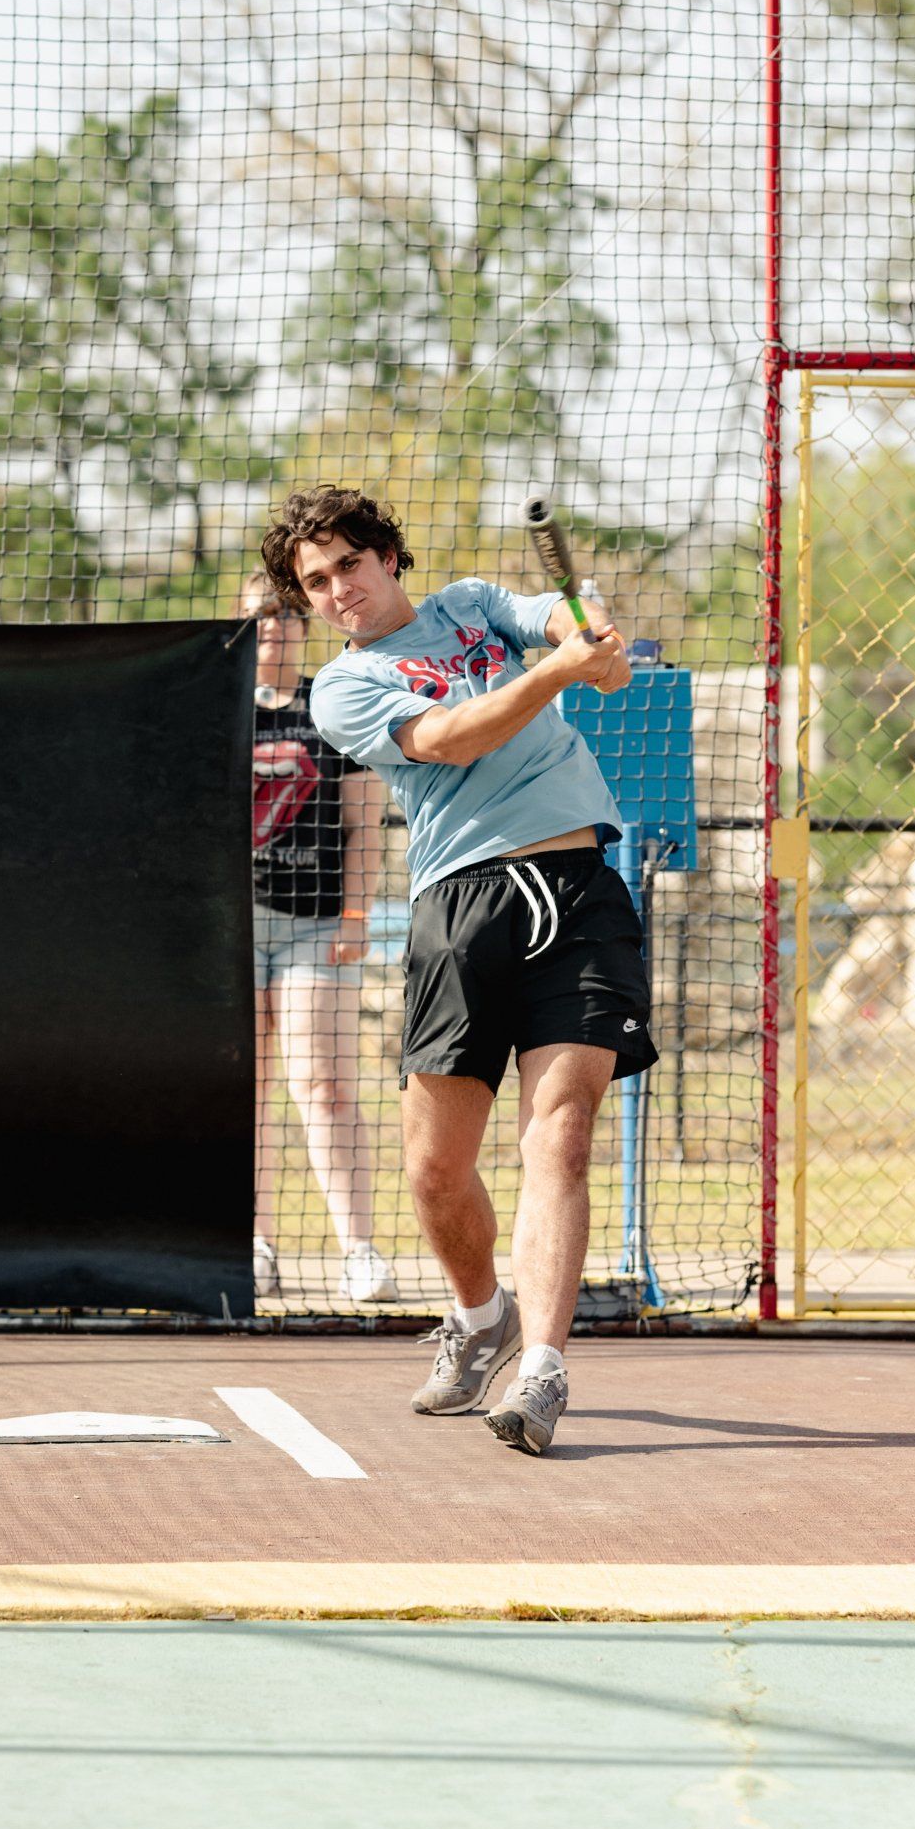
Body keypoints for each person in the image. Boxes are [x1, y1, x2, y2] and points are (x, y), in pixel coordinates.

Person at [259, 485, 653, 1456]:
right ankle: (484, 1319)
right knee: (435, 1170)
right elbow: (450, 736)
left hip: (578, 886)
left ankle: (545, 1365)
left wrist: (586, 627)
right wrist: (564, 671)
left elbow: (554, 612)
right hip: (459, 908)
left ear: (388, 556)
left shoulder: (471, 604)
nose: (338, 588)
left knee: (558, 1136)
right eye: (316, 581)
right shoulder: (343, 688)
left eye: (348, 562)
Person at [243, 578, 396, 1307]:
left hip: (314, 924)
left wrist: (357, 916)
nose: (275, 627)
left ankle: (359, 1251)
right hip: (233, 928)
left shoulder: (332, 706)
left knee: (326, 1088)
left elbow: (365, 825)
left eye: (288, 614)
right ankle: (253, 1244)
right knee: (245, 1090)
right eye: (262, 615)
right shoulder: (215, 706)